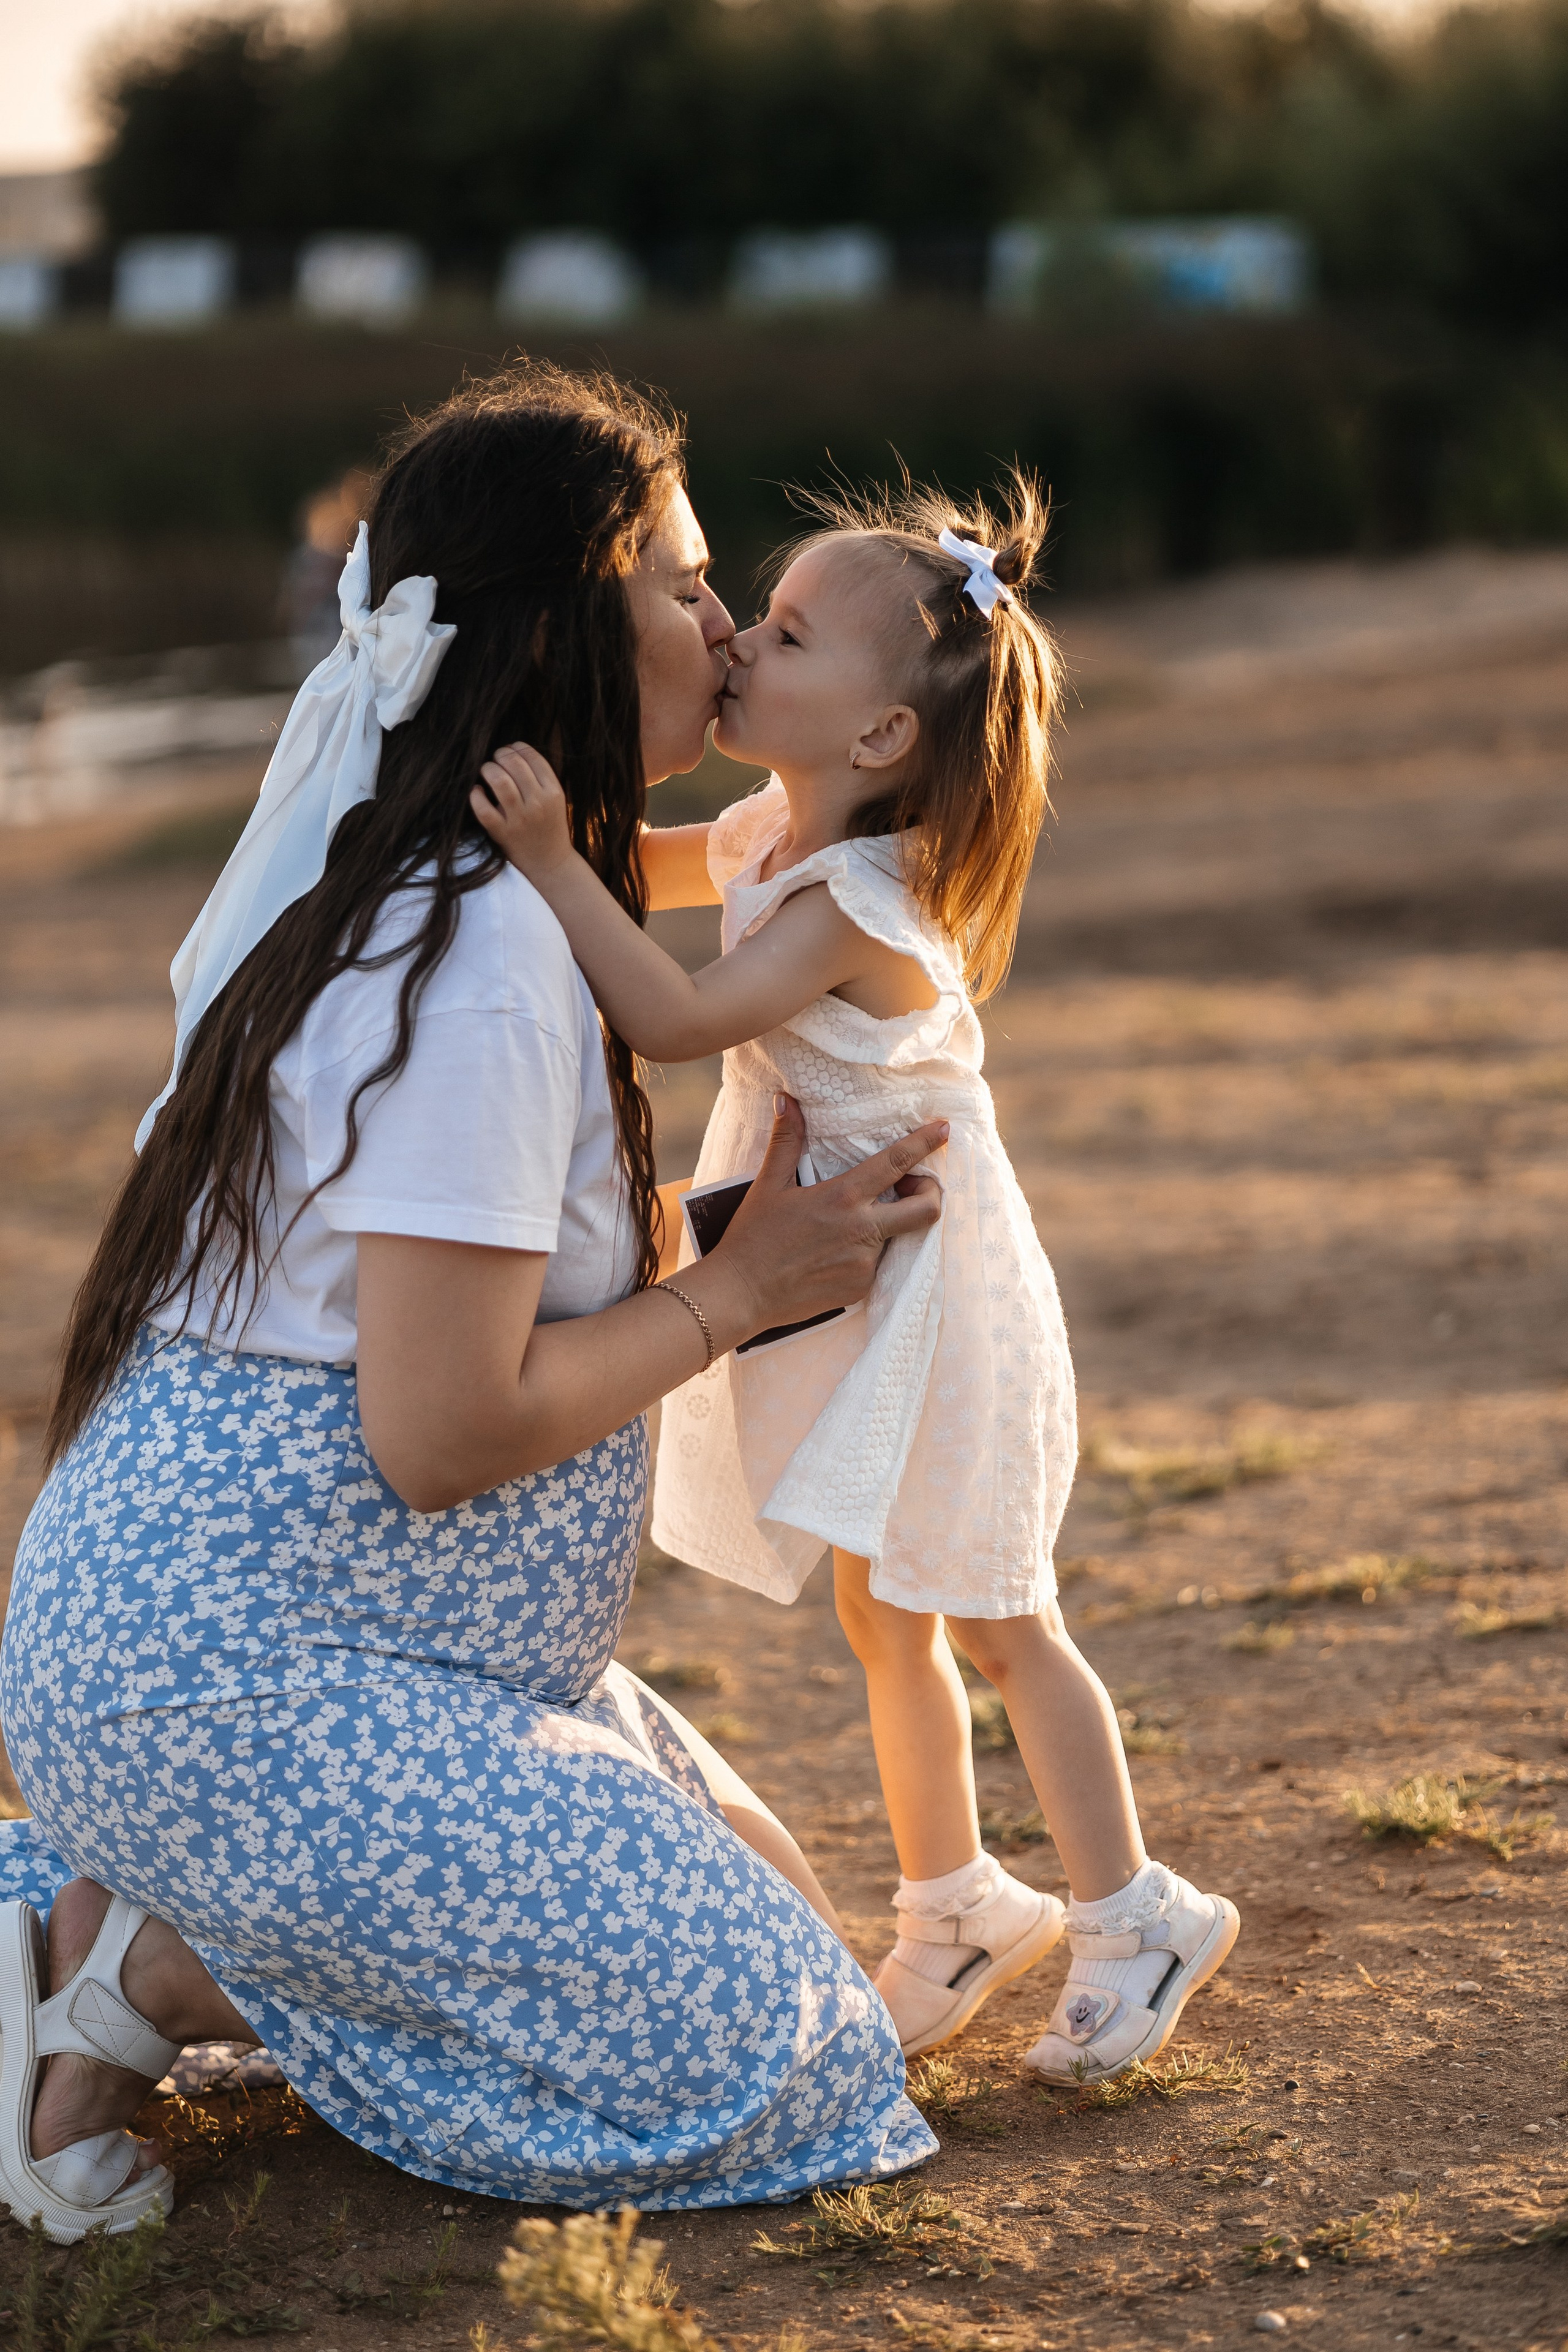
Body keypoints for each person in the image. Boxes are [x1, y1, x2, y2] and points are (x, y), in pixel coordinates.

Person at [0, 362, 948, 2245]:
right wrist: (740, 1286)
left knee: (790, 1934)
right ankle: (158, 1978)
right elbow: (440, 1435)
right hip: (264, 1679)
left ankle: (113, 1916)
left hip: (332, 1653)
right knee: (789, 2058)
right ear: (556, 634)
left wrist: (751, 1254)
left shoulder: (468, 882)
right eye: (683, 585)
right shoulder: (483, 958)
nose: (717, 621)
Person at [472, 469, 1240, 2086]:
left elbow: (677, 1016)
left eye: (793, 633)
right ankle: (956, 1901)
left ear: (882, 738)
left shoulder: (852, 901)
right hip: (865, 1278)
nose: (741, 636)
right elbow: (652, 867)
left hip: (943, 1294)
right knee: (881, 1607)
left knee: (997, 1604)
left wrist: (545, 861)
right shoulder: (777, 827)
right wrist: (548, 806)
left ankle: (1135, 1909)